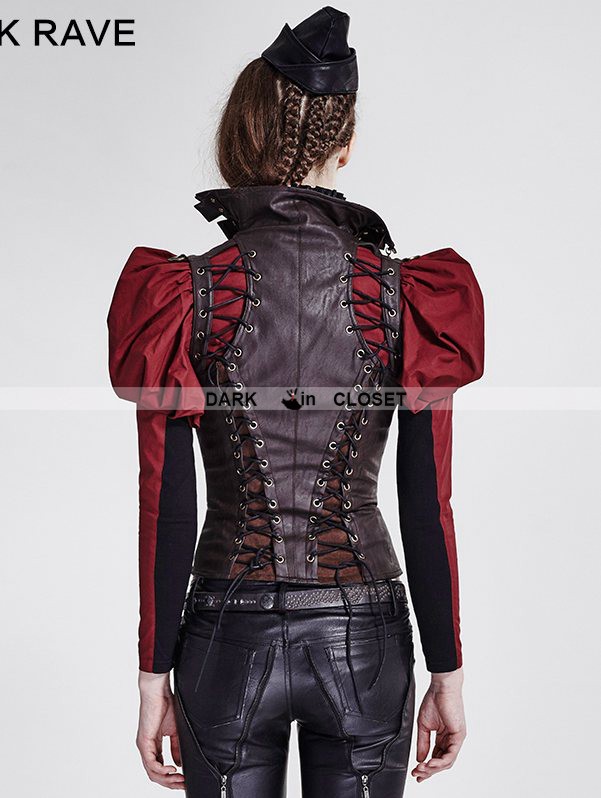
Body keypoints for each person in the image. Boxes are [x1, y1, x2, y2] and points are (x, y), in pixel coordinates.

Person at [107, 6, 485, 797]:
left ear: (238, 141)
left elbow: (165, 503)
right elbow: (427, 504)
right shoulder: (406, 296)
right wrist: (446, 669)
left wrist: (152, 675)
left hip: (223, 635)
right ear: (345, 145)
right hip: (365, 637)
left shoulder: (182, 295)